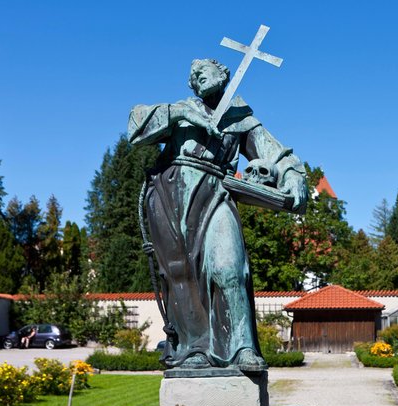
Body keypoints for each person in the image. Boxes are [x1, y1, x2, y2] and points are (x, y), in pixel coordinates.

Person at [128, 59, 307, 371]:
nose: (196, 77)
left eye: (203, 71)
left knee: (228, 267)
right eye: (192, 75)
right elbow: (135, 127)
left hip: (216, 193)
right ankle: (192, 348)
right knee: (179, 275)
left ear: (224, 75)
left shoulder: (241, 118)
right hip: (170, 197)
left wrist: (291, 180)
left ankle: (242, 349)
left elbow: (277, 155)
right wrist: (180, 113)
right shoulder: (182, 110)